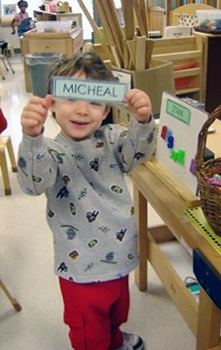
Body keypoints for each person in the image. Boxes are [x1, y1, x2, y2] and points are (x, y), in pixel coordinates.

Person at [17, 51, 156, 350]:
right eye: (71, 98)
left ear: (106, 110)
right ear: (52, 104)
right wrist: (32, 137)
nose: (82, 110)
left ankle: (115, 339)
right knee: (88, 331)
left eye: (94, 101)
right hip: (80, 268)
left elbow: (137, 156)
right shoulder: (50, 151)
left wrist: (143, 121)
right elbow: (32, 183)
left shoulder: (114, 138)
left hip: (119, 256)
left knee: (116, 312)